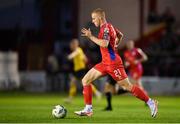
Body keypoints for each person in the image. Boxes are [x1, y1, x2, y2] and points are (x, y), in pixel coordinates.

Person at [74, 8, 158, 118]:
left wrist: (91, 37)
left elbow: (104, 44)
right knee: (85, 80)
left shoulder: (105, 29)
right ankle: (88, 109)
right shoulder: (110, 26)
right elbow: (120, 35)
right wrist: (114, 45)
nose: (93, 21)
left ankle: (151, 103)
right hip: (105, 62)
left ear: (100, 18)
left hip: (113, 63)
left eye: (94, 19)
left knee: (128, 86)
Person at [64, 39, 102, 103]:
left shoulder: (77, 50)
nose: (71, 46)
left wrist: (69, 57)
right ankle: (97, 93)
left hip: (80, 70)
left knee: (79, 82)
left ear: (74, 44)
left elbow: (73, 55)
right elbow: (85, 59)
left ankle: (97, 93)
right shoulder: (80, 50)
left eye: (72, 44)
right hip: (79, 69)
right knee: (75, 82)